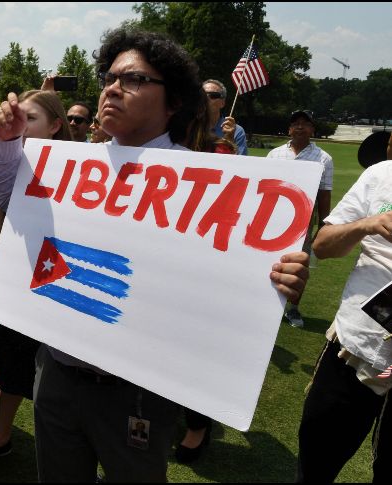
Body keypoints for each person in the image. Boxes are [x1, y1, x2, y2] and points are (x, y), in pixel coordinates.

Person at [0, 27, 311, 482]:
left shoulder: (208, 183)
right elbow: (7, 198)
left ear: (173, 100)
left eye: (133, 79)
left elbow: (228, 285)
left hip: (138, 392)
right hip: (56, 374)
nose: (112, 88)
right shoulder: (70, 165)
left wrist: (278, 278)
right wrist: (6, 142)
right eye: (109, 77)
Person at [0, 90, 72, 463]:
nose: (21, 125)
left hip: (64, 290)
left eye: (31, 119)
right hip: (14, 286)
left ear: (55, 126)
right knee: (7, 364)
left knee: (60, 377)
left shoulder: (85, 175)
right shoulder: (11, 173)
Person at [298, 159, 392, 483]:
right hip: (354, 349)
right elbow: (322, 245)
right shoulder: (381, 174)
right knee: (314, 468)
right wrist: (368, 224)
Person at [173, 91, 237, 464]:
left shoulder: (220, 151)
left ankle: (198, 425)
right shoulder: (159, 147)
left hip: (205, 262)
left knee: (193, 351)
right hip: (166, 259)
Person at [267, 109, 334, 328]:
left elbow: (325, 194)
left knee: (298, 266)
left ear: (312, 129)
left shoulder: (324, 158)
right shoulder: (275, 154)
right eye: (295, 123)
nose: (299, 127)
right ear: (289, 129)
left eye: (305, 123)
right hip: (272, 219)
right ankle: (267, 305)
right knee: (270, 262)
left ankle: (293, 309)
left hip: (303, 223)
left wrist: (323, 226)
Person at [202, 79, 248, 155]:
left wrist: (230, 140)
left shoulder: (237, 131)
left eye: (213, 95)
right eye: (202, 94)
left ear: (222, 103)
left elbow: (239, 163)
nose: (206, 98)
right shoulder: (190, 127)